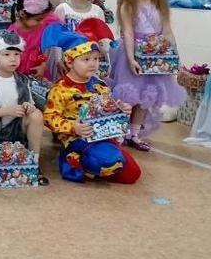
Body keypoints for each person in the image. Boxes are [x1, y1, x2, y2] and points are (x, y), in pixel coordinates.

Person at [41, 23, 141, 184]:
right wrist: (73, 127)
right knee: (108, 162)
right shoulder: (60, 89)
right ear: (69, 62)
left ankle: (98, 164)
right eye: (86, 59)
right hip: (77, 139)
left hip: (103, 136)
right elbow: (49, 117)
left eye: (96, 59)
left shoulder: (100, 85)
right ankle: (76, 160)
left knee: (132, 174)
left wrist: (122, 109)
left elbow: (108, 108)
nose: (93, 64)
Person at [108, 0, 186, 151]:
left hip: (155, 57)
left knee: (145, 97)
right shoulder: (128, 6)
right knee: (128, 96)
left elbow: (167, 33)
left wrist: (175, 57)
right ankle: (117, 132)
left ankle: (134, 134)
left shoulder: (160, 7)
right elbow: (128, 32)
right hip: (133, 54)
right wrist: (131, 58)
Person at [0, 32, 48, 185]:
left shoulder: (22, 80)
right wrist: (7, 111)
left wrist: (28, 106)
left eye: (16, 54)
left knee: (36, 114)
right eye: (6, 54)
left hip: (16, 131)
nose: (13, 59)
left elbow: (29, 104)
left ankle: (34, 162)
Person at [8, 0, 59, 78]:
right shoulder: (11, 34)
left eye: (43, 19)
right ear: (22, 14)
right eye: (38, 19)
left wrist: (43, 66)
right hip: (18, 76)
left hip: (39, 76)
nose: (42, 22)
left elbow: (44, 52)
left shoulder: (42, 27)